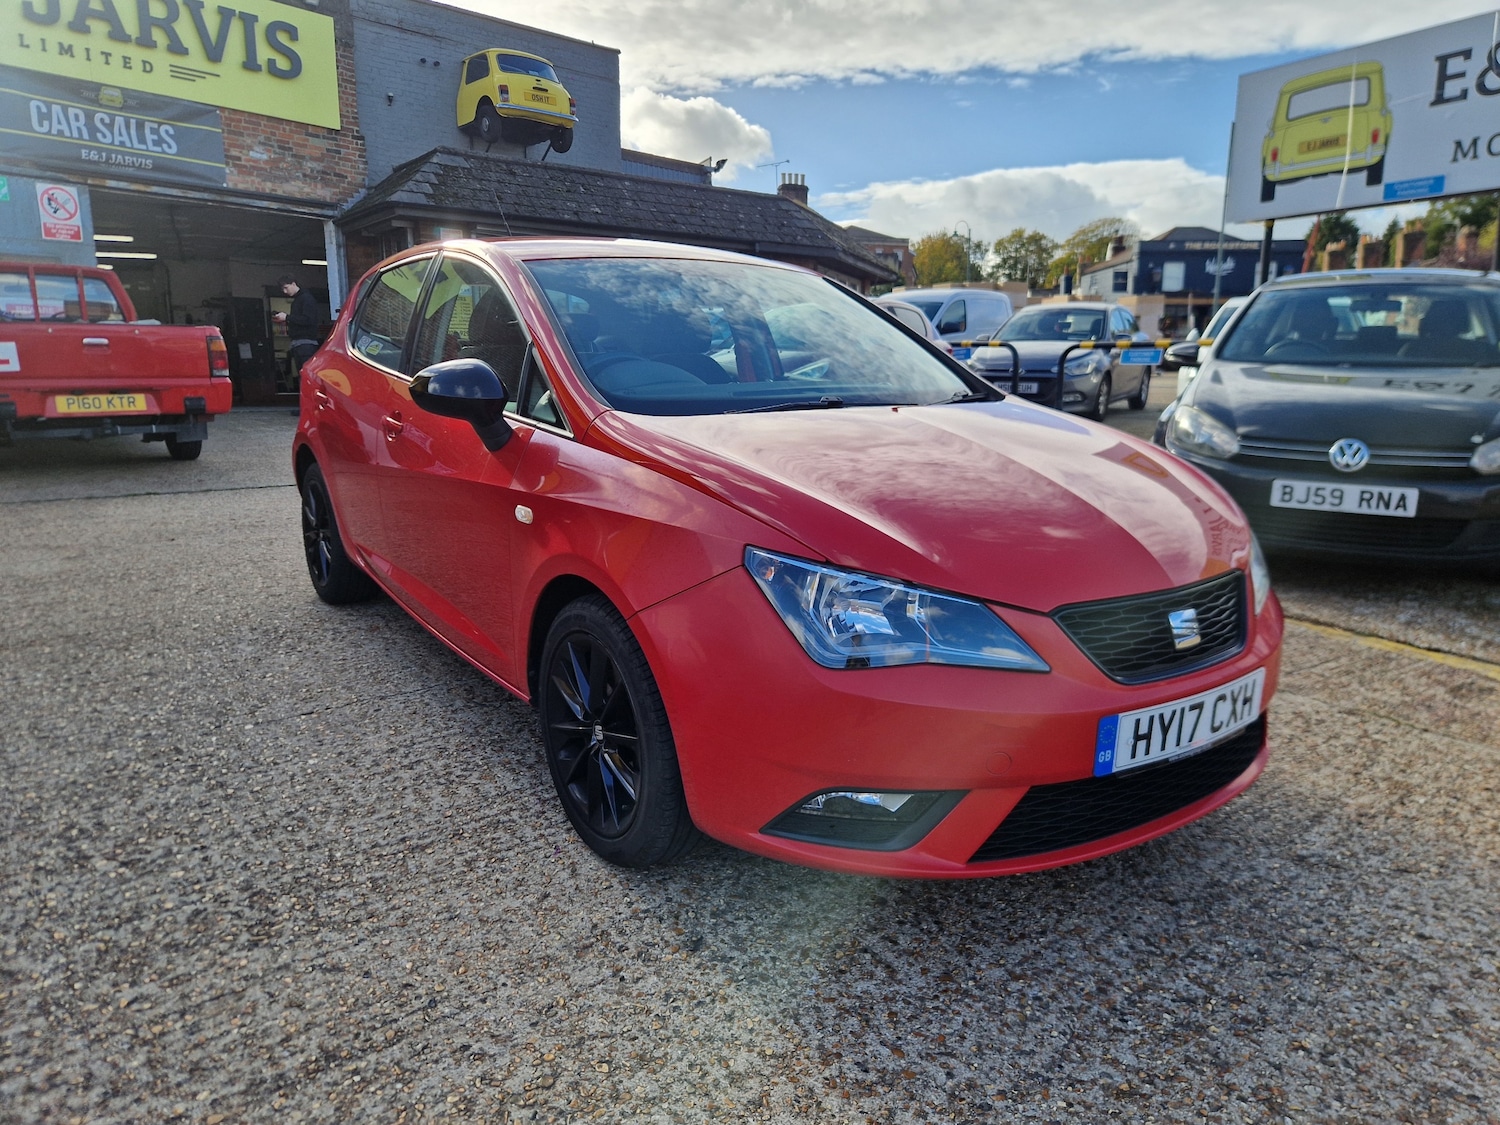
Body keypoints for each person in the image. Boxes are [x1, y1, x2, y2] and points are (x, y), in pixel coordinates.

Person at [273, 274, 320, 380]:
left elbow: (308, 319)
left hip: (305, 344)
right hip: (302, 344)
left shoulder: (306, 299)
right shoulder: (301, 299)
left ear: (294, 284)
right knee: (304, 376)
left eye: (286, 287)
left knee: (306, 376)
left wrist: (287, 317)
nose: (285, 291)